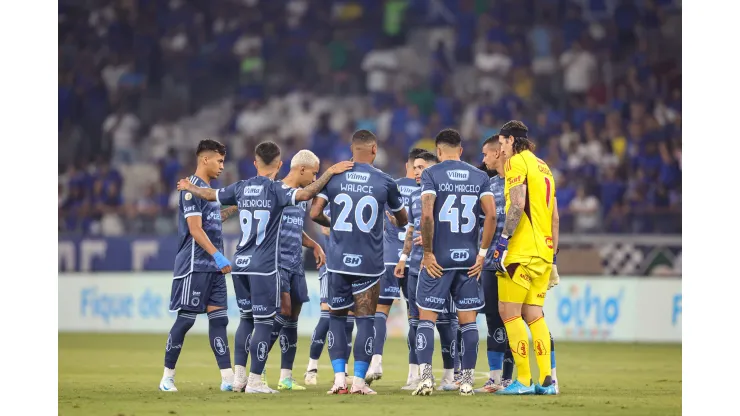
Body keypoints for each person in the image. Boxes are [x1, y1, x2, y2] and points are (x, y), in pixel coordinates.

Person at [177, 141, 353, 394]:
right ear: (280, 165)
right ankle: (256, 381)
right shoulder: (276, 190)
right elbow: (304, 194)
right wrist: (329, 172)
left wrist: (189, 187)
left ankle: (239, 379)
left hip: (240, 263)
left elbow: (211, 194)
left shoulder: (241, 187)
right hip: (264, 266)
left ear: (254, 163)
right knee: (263, 323)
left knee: (246, 320)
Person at [309, 130, 408, 395]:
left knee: (337, 319)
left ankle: (339, 380)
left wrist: (335, 226)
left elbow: (314, 213)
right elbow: (403, 219)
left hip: (339, 262)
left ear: (352, 149)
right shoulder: (385, 181)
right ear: (374, 149)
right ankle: (359, 383)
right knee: (366, 321)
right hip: (369, 264)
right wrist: (394, 220)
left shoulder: (335, 177)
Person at [413, 129, 498, 396]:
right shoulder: (480, 176)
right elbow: (492, 216)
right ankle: (467, 382)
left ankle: (426, 379)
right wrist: (482, 254)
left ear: (438, 152)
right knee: (468, 323)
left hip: (439, 259)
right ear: (461, 150)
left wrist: (427, 253)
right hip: (469, 261)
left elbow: (427, 215)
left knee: (426, 319)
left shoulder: (431, 174)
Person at [160, 139, 239, 392]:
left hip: (214, 269)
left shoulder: (208, 191)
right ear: (205, 159)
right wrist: (218, 255)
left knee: (220, 321)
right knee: (185, 321)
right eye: (219, 160)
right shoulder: (190, 188)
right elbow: (195, 229)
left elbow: (215, 217)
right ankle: (167, 377)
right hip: (194, 265)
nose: (221, 166)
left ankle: (227, 378)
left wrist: (237, 207)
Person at [491, 120, 558, 395]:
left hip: (522, 250)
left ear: (509, 141)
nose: (500, 148)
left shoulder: (516, 163)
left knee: (508, 312)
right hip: (543, 251)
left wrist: (503, 241)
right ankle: (546, 382)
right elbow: (554, 216)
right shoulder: (544, 167)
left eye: (501, 142)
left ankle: (524, 380)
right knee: (534, 314)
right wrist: (553, 257)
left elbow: (517, 204)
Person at [257, 150, 328, 391]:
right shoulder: (276, 192)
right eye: (314, 172)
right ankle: (260, 370)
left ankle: (286, 377)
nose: (314, 177)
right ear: (301, 169)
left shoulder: (301, 198)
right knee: (283, 310)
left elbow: (296, 229)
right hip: (276, 263)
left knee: (293, 317)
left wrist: (315, 244)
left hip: (296, 263)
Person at [395, 151, 460, 391]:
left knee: (446, 322)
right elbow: (411, 229)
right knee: (416, 323)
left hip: (441, 266)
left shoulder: (444, 193)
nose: (417, 171)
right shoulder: (414, 195)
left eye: (422, 167)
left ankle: (450, 375)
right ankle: (418, 374)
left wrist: (434, 240)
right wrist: (403, 257)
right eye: (415, 167)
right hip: (415, 268)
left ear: (433, 169)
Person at [365, 148, 425, 384]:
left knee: (381, 312)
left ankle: (376, 362)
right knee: (416, 317)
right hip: (416, 259)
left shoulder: (392, 186)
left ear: (405, 166)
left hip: (390, 258)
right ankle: (413, 375)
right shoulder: (426, 191)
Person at [304, 206, 357, 385]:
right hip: (331, 266)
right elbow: (325, 228)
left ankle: (345, 371)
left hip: (351, 267)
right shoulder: (330, 201)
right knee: (327, 317)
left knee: (349, 322)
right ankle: (311, 368)